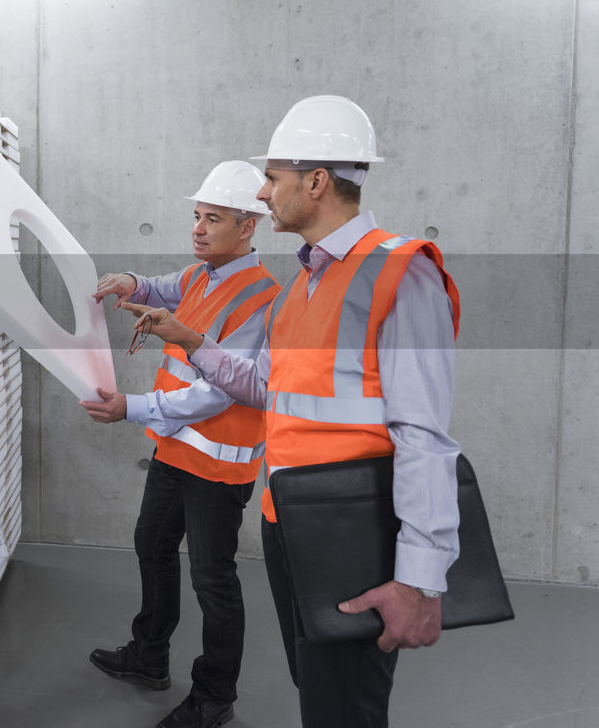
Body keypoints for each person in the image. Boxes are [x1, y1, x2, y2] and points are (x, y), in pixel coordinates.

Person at [120, 95, 463, 728]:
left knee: (344, 710)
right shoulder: (307, 281)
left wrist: (420, 579)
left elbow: (424, 436)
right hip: (289, 520)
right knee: (317, 691)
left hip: (351, 534)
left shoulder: (401, 275)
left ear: (316, 181)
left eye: (272, 178)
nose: (262, 190)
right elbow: (268, 389)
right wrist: (193, 342)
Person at [79, 160, 281, 728]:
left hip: (218, 465)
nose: (197, 228)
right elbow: (162, 288)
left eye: (212, 218)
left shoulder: (260, 297)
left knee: (212, 580)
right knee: (152, 545)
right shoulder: (200, 276)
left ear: (248, 227)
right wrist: (130, 283)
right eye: (196, 216)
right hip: (176, 451)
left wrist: (133, 409)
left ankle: (214, 697)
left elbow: (221, 394)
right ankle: (149, 656)